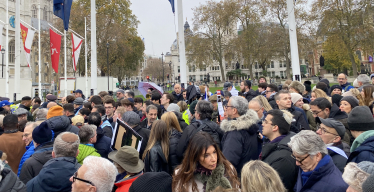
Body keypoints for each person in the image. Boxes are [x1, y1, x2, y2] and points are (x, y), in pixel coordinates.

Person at [173, 132, 239, 191]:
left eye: (214, 152)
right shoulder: (183, 177)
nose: (213, 159)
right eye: (206, 155)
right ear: (196, 157)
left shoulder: (228, 170)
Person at [220, 96, 260, 176]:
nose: (226, 108)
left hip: (238, 179)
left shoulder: (234, 133)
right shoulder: (251, 126)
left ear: (234, 110)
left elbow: (228, 162)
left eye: (227, 106)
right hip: (250, 175)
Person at [260, 109, 297, 190]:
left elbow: (274, 188)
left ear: (275, 127)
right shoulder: (271, 144)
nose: (262, 124)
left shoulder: (283, 158)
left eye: (266, 122)